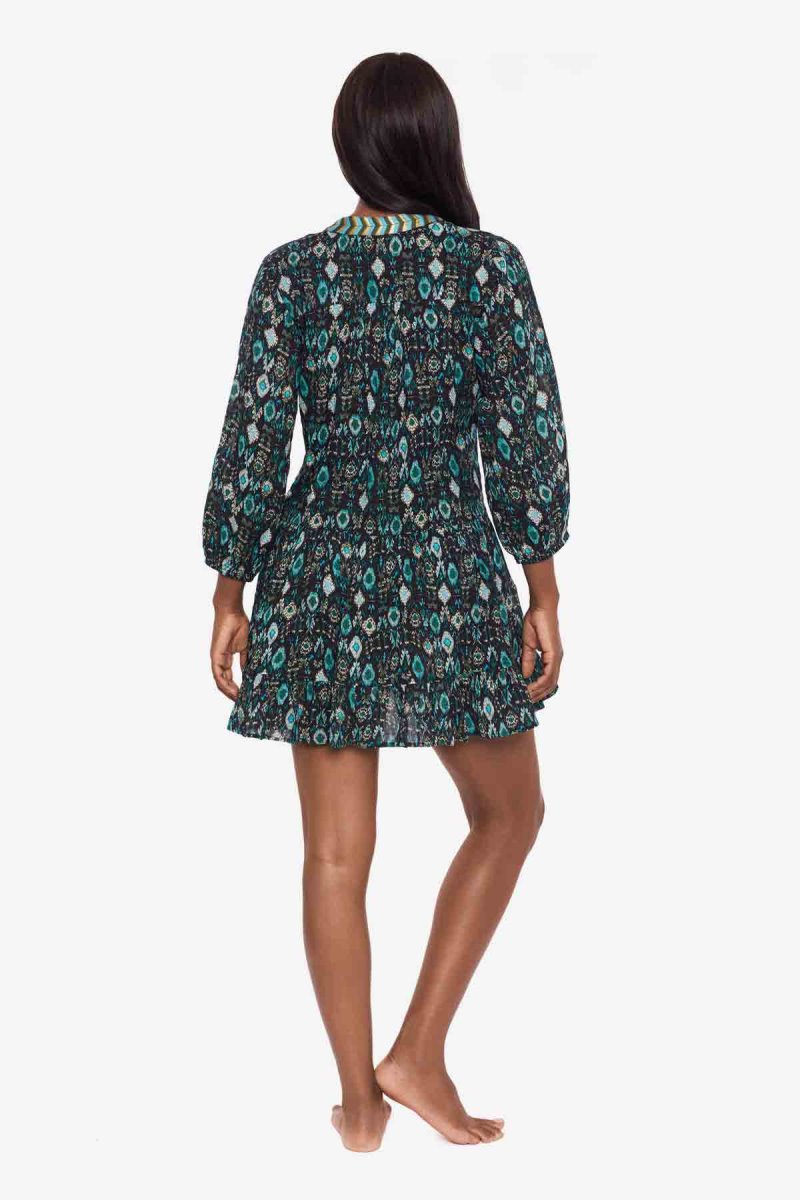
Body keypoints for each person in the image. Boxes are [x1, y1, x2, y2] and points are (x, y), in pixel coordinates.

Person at [202, 51, 570, 1152]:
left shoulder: (293, 274)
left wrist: (229, 586)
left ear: (349, 145)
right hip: (447, 571)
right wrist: (542, 586)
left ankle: (364, 1107)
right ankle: (415, 1053)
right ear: (436, 142)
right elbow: (526, 437)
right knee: (510, 814)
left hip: (316, 573)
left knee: (333, 856)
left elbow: (253, 440)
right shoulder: (487, 271)